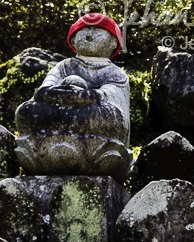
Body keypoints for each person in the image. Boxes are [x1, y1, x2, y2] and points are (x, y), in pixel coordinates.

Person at [15, 12, 132, 177]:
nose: (90, 36)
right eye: (84, 32)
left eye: (97, 32)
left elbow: (111, 95)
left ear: (114, 42)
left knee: (110, 117)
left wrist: (85, 96)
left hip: (93, 118)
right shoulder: (64, 67)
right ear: (73, 40)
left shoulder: (114, 72)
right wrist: (66, 93)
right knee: (26, 110)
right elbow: (45, 89)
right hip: (60, 107)